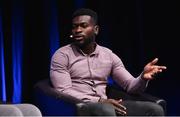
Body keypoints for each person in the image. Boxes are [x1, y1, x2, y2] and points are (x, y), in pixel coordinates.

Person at [50, 8, 167, 116]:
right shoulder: (62, 55)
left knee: (154, 110)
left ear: (96, 30)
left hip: (107, 105)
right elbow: (63, 91)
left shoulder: (108, 55)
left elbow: (130, 86)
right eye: (75, 27)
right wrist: (100, 101)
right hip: (81, 106)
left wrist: (143, 77)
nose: (78, 30)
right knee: (106, 110)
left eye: (83, 26)